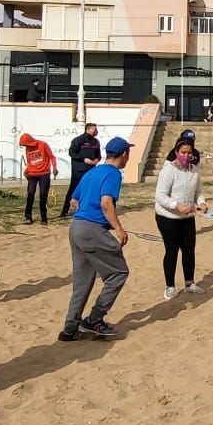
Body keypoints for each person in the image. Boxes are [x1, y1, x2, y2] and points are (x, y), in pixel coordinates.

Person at [61, 136, 134, 341]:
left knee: (82, 281)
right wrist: (119, 229)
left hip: (76, 227)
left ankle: (70, 329)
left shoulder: (92, 173)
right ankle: (94, 319)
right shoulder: (113, 174)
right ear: (124, 155)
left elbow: (74, 201)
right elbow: (106, 203)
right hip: (92, 230)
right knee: (119, 272)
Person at [154, 139, 206, 299]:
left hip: (188, 217)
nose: (186, 155)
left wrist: (202, 202)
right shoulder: (169, 170)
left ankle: (189, 283)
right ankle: (169, 286)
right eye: (183, 152)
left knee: (189, 250)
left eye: (189, 153)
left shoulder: (194, 170)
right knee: (172, 251)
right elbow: (160, 196)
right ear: (177, 152)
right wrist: (176, 205)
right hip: (168, 217)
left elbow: (198, 191)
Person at [64, 122, 101, 218]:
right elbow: (71, 152)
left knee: (89, 190)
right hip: (78, 170)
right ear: (88, 129)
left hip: (91, 170)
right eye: (94, 129)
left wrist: (96, 161)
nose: (96, 131)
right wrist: (83, 159)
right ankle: (64, 210)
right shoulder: (78, 140)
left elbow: (98, 155)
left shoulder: (96, 142)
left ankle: (86, 209)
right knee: (73, 190)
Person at [19, 133, 57, 224]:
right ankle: (28, 217)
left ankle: (44, 218)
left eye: (26, 144)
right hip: (32, 174)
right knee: (30, 195)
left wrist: (54, 167)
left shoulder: (42, 144)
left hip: (44, 173)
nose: (25, 147)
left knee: (43, 195)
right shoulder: (28, 148)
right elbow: (30, 161)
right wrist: (27, 170)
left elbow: (52, 156)